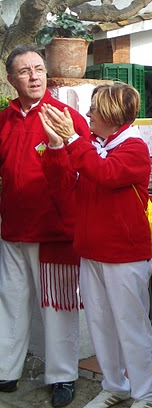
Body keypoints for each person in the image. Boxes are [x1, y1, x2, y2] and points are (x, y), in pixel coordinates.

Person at [39, 83, 152, 408]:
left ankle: (145, 394)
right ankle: (115, 385)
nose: (88, 114)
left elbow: (104, 173)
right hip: (91, 251)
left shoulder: (134, 148)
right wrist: (54, 147)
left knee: (131, 327)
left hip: (125, 256)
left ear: (112, 114)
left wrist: (73, 141)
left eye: (94, 108)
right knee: (100, 325)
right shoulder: (90, 145)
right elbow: (63, 183)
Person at [0, 44, 90, 407]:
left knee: (58, 307)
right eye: (25, 71)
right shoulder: (3, 121)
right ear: (11, 80)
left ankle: (63, 376)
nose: (34, 76)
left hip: (55, 232)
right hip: (12, 229)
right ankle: (6, 370)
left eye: (38, 69)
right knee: (10, 302)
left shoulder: (64, 116)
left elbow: (85, 165)